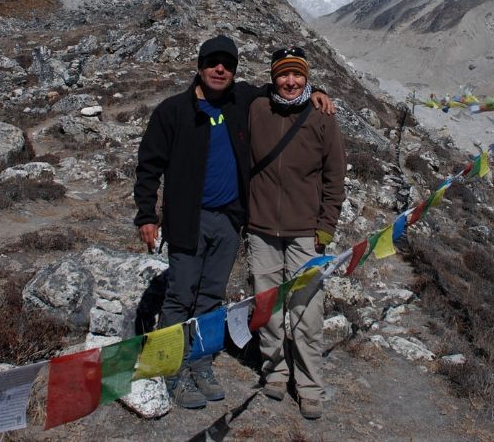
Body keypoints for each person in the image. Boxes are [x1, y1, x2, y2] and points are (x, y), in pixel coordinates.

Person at [134, 35, 333, 409]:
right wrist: (146, 214)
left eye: (227, 63)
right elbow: (149, 166)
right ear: (199, 66)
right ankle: (170, 367)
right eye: (212, 62)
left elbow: (284, 84)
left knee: (211, 295)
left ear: (234, 71)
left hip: (228, 221)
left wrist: (316, 88)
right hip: (187, 220)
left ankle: (201, 361)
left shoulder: (242, 101)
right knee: (179, 295)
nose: (219, 69)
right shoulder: (172, 111)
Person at [247, 46, 346, 420]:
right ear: (273, 77)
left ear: (307, 78)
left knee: (307, 309)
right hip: (260, 228)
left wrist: (326, 226)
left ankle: (309, 386)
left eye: (298, 75)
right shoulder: (258, 109)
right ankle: (274, 371)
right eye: (283, 75)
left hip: (306, 231)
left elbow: (335, 176)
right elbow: (246, 92)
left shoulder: (322, 116)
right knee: (266, 304)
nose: (290, 82)